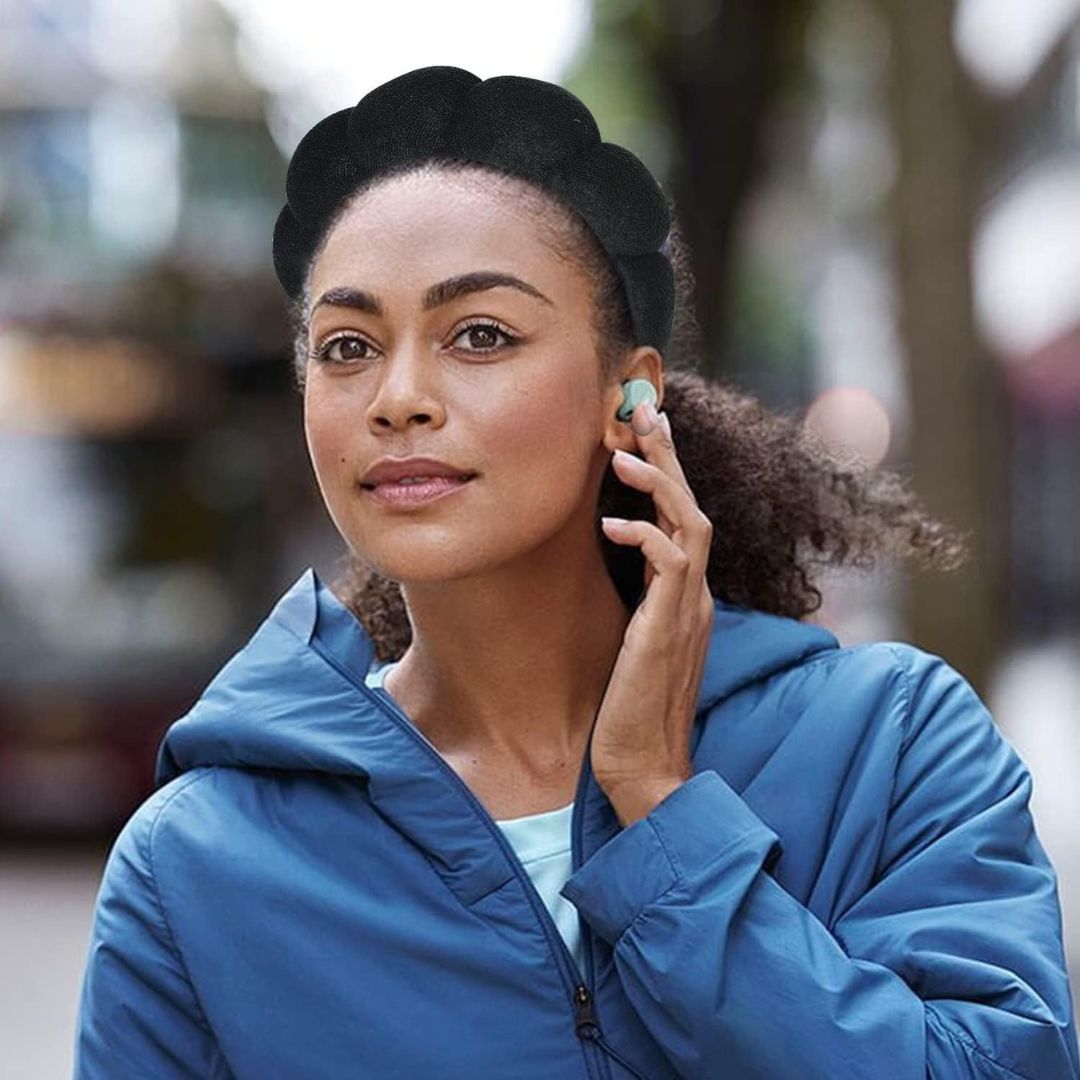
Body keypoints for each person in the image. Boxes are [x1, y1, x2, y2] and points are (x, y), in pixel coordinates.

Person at [74, 66, 1080, 1079]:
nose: (399, 396)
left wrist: (662, 810)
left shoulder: (889, 742)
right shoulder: (196, 864)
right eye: (347, 347)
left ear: (627, 399)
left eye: (480, 334)